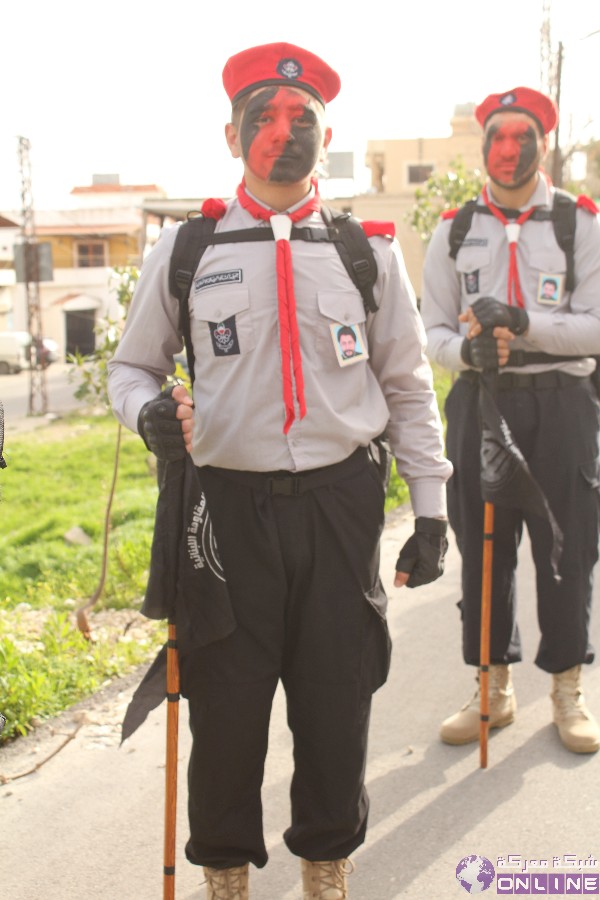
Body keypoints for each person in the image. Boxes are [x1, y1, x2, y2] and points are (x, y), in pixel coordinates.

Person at [108, 41, 451, 899]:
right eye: (263, 118)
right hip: (224, 514)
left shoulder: (366, 252)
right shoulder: (187, 251)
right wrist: (145, 411)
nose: (283, 133)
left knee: (338, 698)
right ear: (232, 138)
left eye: (303, 120)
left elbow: (408, 386)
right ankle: (225, 870)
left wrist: (434, 508)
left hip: (341, 505)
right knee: (225, 708)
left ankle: (325, 862)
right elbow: (130, 369)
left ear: (324, 140)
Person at [420, 85, 600, 755]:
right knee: (484, 549)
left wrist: (524, 326)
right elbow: (430, 329)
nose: (506, 150)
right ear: (483, 146)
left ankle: (567, 689)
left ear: (543, 144)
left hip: (562, 404)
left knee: (566, 549)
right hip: (482, 403)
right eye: (496, 137)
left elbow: (597, 327)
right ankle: (492, 686)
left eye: (521, 136)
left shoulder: (580, 223)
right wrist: (462, 351)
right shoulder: (455, 227)